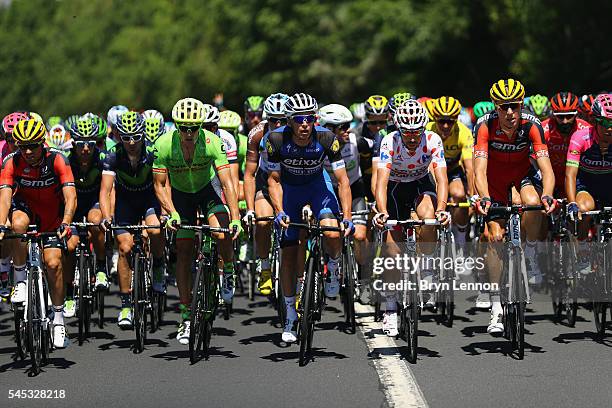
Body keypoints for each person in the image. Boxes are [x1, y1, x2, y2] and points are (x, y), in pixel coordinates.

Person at [152, 97, 241, 345]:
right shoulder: (163, 145)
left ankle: (229, 269)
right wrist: (171, 212)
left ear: (201, 126)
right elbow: (159, 186)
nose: (189, 133)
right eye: (184, 128)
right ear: (176, 126)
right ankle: (185, 315)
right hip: (180, 198)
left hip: (206, 191)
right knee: (183, 251)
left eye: (194, 128)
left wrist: (235, 218)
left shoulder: (213, 142)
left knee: (221, 232)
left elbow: (227, 183)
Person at [266, 93, 353, 343]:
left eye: (310, 119)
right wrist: (279, 210)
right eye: (299, 119)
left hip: (318, 188)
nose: (305, 124)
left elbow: (342, 181)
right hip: (290, 191)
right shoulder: (276, 139)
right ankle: (291, 314)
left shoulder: (327, 137)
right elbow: (273, 180)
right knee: (290, 254)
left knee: (331, 230)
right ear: (290, 121)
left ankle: (334, 267)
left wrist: (346, 216)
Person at [473, 78, 556, 335]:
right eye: (503, 106)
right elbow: (479, 169)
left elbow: (546, 168)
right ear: (496, 107)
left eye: (515, 106)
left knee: (533, 203)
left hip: (521, 176)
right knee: (494, 237)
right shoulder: (484, 125)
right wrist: (484, 196)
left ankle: (529, 254)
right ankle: (496, 306)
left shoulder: (532, 124)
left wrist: (549, 195)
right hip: (494, 181)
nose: (510, 112)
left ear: (522, 105)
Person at [373, 100, 449, 336]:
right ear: (399, 129)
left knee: (429, 217)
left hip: (420, 184)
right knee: (392, 253)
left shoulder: (433, 139)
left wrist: (443, 209)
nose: (413, 137)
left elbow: (442, 178)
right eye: (408, 132)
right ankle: (391, 307)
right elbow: (381, 182)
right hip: (395, 188)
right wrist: (382, 211)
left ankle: (426, 268)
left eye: (417, 132)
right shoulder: (390, 141)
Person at [0, 119, 76, 348]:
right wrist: (1, 224)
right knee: (17, 225)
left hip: (53, 218)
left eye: (33, 145)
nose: (28, 151)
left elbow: (70, 196)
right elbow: (4, 197)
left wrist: (66, 222)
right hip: (25, 211)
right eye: (23, 146)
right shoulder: (11, 162)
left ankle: (59, 319)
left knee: (53, 264)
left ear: (42, 143)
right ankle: (21, 280)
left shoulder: (57, 159)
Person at [99, 111, 165, 327]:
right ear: (119, 136)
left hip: (149, 200)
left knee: (155, 230)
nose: (131, 142)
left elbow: (163, 185)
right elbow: (106, 190)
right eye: (126, 137)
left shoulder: (153, 153)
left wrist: (165, 212)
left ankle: (158, 267)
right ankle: (126, 305)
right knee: (125, 249)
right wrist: (107, 217)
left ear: (143, 134)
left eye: (136, 136)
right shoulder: (112, 155)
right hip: (125, 205)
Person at [63, 117, 109, 318]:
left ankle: (100, 267)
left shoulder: (102, 158)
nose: (85, 148)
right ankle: (69, 294)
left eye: (90, 143)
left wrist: (109, 215)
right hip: (71, 203)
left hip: (93, 201)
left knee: (96, 222)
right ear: (73, 142)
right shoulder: (65, 159)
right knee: (70, 245)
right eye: (81, 143)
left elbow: (108, 191)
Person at [243, 93, 289, 295]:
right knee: (262, 221)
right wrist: (250, 209)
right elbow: (250, 174)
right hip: (265, 180)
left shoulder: (299, 133)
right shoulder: (256, 135)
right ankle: (265, 267)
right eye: (273, 120)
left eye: (283, 120)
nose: (278, 124)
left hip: (291, 181)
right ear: (266, 118)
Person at [565, 93, 612, 273]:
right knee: (584, 209)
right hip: (587, 185)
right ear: (595, 121)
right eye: (606, 123)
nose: (610, 129)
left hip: (609, 184)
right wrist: (572, 204)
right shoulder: (580, 137)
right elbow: (570, 174)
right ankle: (583, 250)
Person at [320, 104, 368, 271]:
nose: (349, 130)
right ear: (329, 129)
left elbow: (375, 164)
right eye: (344, 127)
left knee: (360, 235)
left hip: (355, 189)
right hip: (329, 191)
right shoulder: (317, 146)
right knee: (332, 234)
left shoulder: (357, 142)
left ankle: (364, 276)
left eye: (350, 125)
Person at [427, 96, 475, 247]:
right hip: (432, 169)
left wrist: (473, 197)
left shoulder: (464, 132)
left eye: (451, 121)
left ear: (456, 119)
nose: (446, 126)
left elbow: (470, 168)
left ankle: (460, 239)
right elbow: (427, 164)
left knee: (459, 194)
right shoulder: (427, 130)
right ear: (435, 119)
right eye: (441, 121)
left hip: (453, 170)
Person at [541, 92, 591, 197]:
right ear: (553, 114)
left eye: (569, 116)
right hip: (549, 179)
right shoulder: (542, 129)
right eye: (560, 117)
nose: (564, 121)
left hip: (577, 180)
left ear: (576, 113)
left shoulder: (586, 129)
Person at [354, 95, 390, 200]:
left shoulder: (392, 132)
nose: (378, 127)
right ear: (367, 118)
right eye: (373, 123)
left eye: (382, 122)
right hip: (363, 178)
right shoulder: (357, 132)